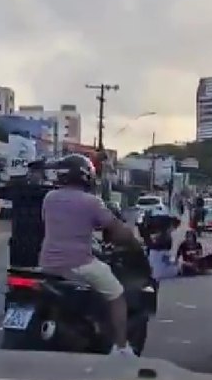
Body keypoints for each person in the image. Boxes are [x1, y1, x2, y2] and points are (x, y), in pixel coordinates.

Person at [40, 153, 140, 357]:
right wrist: (131, 239)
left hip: (47, 264)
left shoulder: (49, 198)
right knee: (117, 293)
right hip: (79, 263)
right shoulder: (91, 202)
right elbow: (117, 230)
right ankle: (121, 347)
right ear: (86, 176)